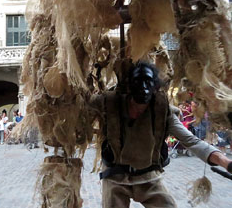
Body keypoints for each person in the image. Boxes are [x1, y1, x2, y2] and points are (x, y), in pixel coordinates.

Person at [91, 61, 232, 208]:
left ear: (155, 87)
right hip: (115, 177)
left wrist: (226, 163)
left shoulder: (162, 111)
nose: (143, 88)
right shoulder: (109, 103)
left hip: (147, 178)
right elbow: (79, 112)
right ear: (129, 85)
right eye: (138, 82)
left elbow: (192, 142)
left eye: (147, 82)